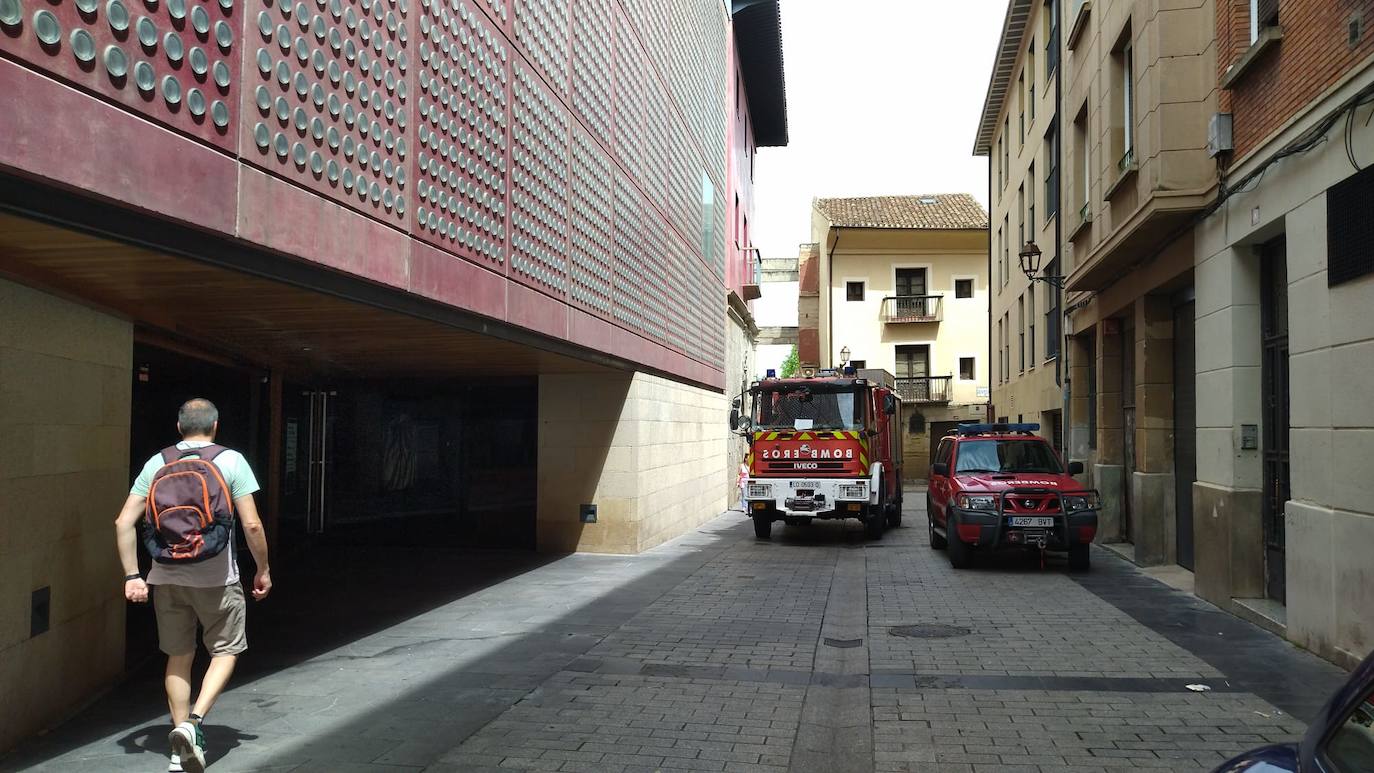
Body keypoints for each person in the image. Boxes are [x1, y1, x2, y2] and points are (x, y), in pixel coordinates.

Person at [114, 398, 272, 773]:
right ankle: (194, 723)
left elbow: (123, 522)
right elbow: (251, 525)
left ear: (179, 425)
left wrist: (132, 575)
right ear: (215, 426)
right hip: (217, 578)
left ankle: (177, 748)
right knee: (226, 650)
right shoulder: (231, 461)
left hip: (165, 576)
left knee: (178, 656)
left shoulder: (158, 462)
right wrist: (262, 569)